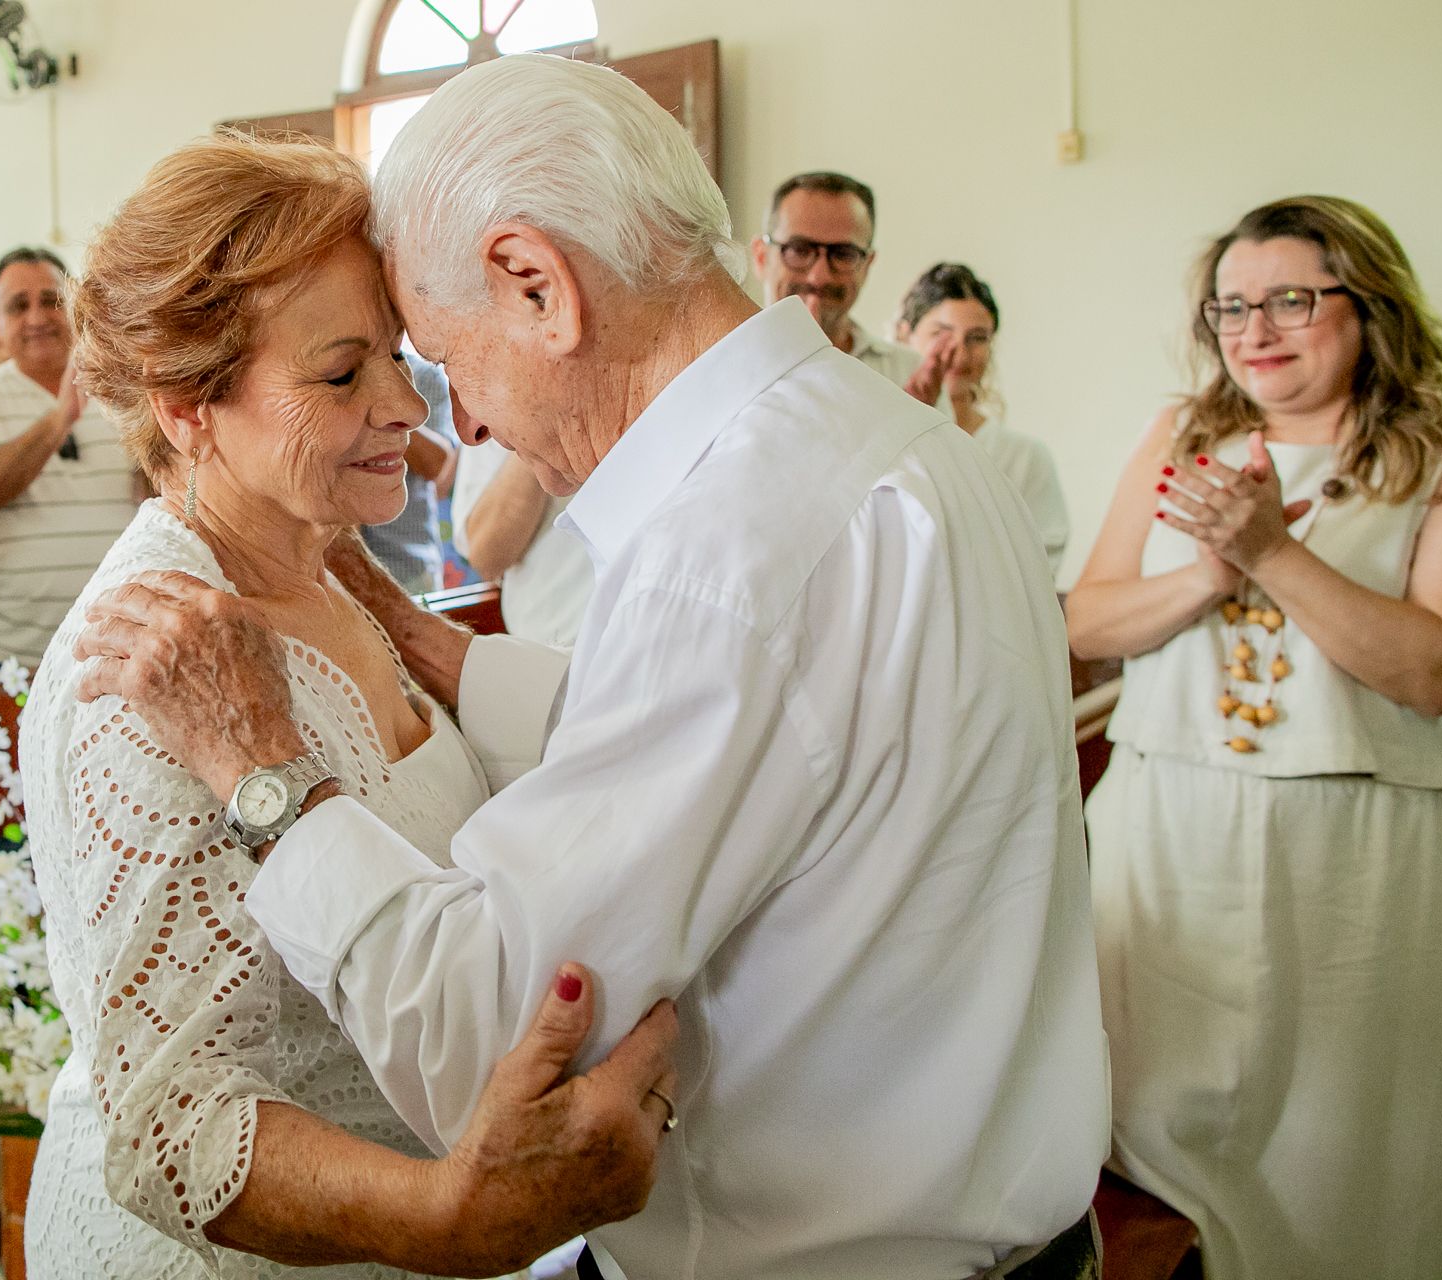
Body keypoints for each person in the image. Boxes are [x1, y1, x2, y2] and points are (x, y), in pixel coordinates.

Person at [76, 56, 1109, 1280]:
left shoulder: (717, 563)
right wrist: (447, 654)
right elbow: (783, 750)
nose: (450, 420)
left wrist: (268, 778)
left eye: (444, 357)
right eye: (353, 368)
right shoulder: (900, 447)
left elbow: (483, 1036)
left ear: (536, 284)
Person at [19, 134, 676, 1280]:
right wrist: (447, 1214)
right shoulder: (143, 671)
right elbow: (169, 1127)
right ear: (187, 408)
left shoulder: (336, 572)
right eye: (339, 374)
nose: (405, 408)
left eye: (396, 355)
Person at [1065, 195, 1442, 1279]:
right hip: (1168, 826)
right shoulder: (1182, 436)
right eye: (1231, 306)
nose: (1255, 328)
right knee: (1152, 1126)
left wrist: (1269, 553)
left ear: (1368, 302)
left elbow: (1439, 670)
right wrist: (1203, 577)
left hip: (1358, 853)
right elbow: (1085, 616)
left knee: (1350, 1155)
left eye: (1290, 298)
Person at [0, 247, 139, 672]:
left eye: (51, 300)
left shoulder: (121, 392)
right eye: (18, 306)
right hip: (14, 656)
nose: (37, 317)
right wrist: (60, 418)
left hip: (120, 647)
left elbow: (155, 496)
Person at [895, 263, 1069, 575]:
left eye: (977, 338)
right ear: (904, 334)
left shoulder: (1025, 457)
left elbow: (1040, 566)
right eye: (941, 335)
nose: (959, 354)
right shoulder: (885, 439)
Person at [750, 171, 950, 406]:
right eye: (799, 250)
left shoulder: (908, 375)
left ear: (867, 265)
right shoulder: (724, 364)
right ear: (761, 257)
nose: (819, 277)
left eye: (843, 254)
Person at [449, 442, 591, 647]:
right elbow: (486, 556)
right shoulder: (490, 415)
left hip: (644, 620)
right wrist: (536, 429)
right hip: (558, 642)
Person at [358, 349, 457, 593]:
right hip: (340, 571)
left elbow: (438, 465)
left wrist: (382, 402)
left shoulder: (424, 375)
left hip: (410, 568)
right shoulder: (326, 377)